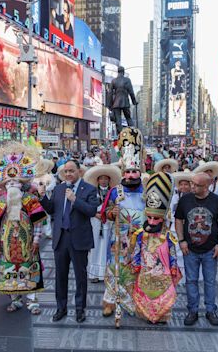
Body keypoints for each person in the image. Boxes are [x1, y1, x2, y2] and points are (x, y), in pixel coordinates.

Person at [0, 144, 47, 313]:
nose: (13, 184)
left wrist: (35, 240)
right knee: (8, 269)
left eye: (16, 181)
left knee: (30, 268)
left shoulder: (30, 199)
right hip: (6, 244)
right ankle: (15, 299)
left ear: (23, 182)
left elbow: (38, 222)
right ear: (4, 183)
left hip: (27, 243)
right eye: (10, 181)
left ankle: (32, 302)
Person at [39, 159, 99, 323]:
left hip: (79, 239)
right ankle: (61, 308)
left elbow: (92, 211)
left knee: (80, 276)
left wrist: (75, 199)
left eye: (71, 171)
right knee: (60, 275)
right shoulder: (59, 189)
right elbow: (52, 210)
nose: (68, 174)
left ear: (79, 172)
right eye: (66, 171)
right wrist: (43, 196)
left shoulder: (89, 189)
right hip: (61, 238)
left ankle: (80, 309)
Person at [100, 127, 146, 318]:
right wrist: (113, 212)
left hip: (142, 239)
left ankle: (135, 301)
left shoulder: (147, 190)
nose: (131, 175)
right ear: (122, 172)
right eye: (128, 171)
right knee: (114, 270)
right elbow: (105, 213)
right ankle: (110, 301)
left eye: (135, 171)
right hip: (118, 239)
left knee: (138, 270)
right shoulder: (115, 191)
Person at [175, 172, 218, 326]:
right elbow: (179, 219)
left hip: (211, 249)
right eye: (192, 183)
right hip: (189, 248)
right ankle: (193, 310)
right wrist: (181, 240)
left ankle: (211, 310)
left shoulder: (217, 201)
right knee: (191, 280)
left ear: (207, 186)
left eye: (197, 185)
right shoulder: (185, 199)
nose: (192, 187)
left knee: (210, 281)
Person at [131, 172, 181, 324]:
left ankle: (162, 315)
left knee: (164, 292)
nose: (152, 222)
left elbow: (172, 253)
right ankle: (145, 314)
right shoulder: (140, 234)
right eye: (150, 218)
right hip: (145, 270)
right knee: (144, 291)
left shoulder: (168, 236)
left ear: (163, 218)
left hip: (162, 273)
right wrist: (136, 263)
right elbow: (137, 250)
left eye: (156, 218)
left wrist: (173, 267)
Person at [84, 165, 121, 283]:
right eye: (101, 178)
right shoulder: (92, 191)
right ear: (98, 180)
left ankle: (105, 273)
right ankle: (94, 273)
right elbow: (87, 206)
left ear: (109, 180)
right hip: (95, 221)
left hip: (108, 222)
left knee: (106, 247)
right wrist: (95, 214)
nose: (104, 181)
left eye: (106, 178)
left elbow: (117, 206)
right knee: (94, 247)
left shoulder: (113, 192)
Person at [108, 66, 137, 134]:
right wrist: (134, 101)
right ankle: (132, 133)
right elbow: (131, 92)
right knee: (128, 118)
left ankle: (120, 135)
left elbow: (110, 94)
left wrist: (110, 105)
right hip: (125, 102)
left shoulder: (113, 81)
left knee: (118, 120)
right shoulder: (127, 80)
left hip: (116, 103)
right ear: (123, 72)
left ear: (118, 72)